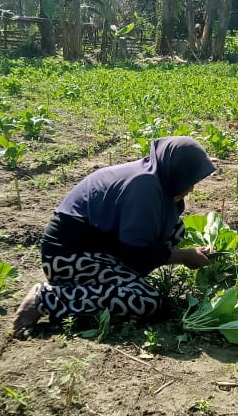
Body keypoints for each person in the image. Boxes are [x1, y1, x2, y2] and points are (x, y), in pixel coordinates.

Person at [13, 136, 216, 338]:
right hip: (68, 257)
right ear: (176, 171)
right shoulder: (144, 186)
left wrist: (180, 253)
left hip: (98, 246)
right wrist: (183, 256)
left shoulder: (153, 175)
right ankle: (45, 299)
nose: (190, 189)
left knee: (175, 229)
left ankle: (114, 280)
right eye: (189, 181)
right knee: (145, 300)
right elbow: (135, 254)